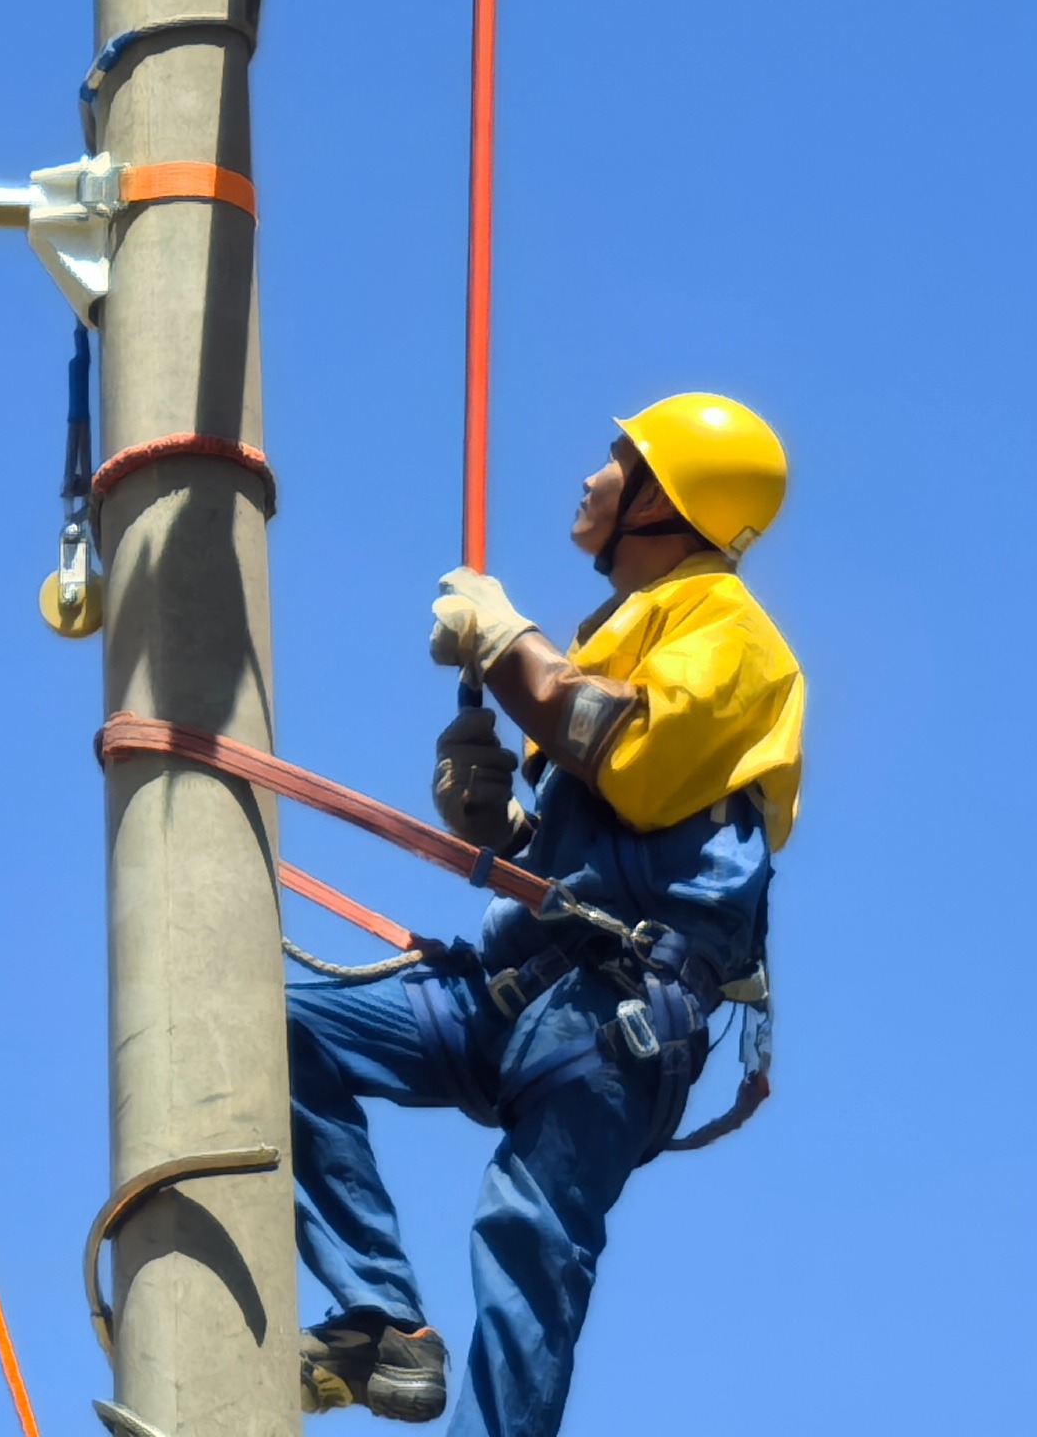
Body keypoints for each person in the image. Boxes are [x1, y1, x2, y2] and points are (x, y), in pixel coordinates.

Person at [288, 395, 808, 1437]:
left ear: (668, 500)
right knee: (279, 1026)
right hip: (516, 989)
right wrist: (504, 826)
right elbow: (609, 836)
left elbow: (631, 755)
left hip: (613, 1019)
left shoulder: (734, 635)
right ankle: (383, 1319)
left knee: (527, 1236)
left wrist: (504, 642)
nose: (589, 479)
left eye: (617, 462)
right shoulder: (630, 631)